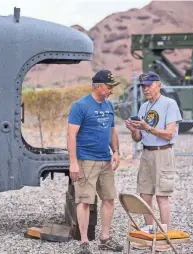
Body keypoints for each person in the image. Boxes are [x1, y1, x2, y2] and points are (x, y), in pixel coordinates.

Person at [125, 71, 182, 251]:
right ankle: (150, 232)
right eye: (143, 86)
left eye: (149, 85)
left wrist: (148, 128)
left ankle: (164, 236)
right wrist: (134, 130)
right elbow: (138, 138)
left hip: (162, 153)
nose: (146, 89)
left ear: (158, 84)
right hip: (146, 153)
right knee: (144, 194)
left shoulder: (169, 104)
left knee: (162, 196)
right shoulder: (143, 107)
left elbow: (169, 133)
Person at [68, 69, 124, 254]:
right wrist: (73, 162)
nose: (111, 91)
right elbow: (71, 135)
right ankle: (84, 242)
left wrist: (115, 151)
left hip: (105, 161)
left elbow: (112, 131)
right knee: (84, 201)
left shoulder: (108, 106)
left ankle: (105, 239)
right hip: (86, 161)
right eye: (109, 87)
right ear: (98, 86)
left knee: (109, 198)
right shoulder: (80, 106)